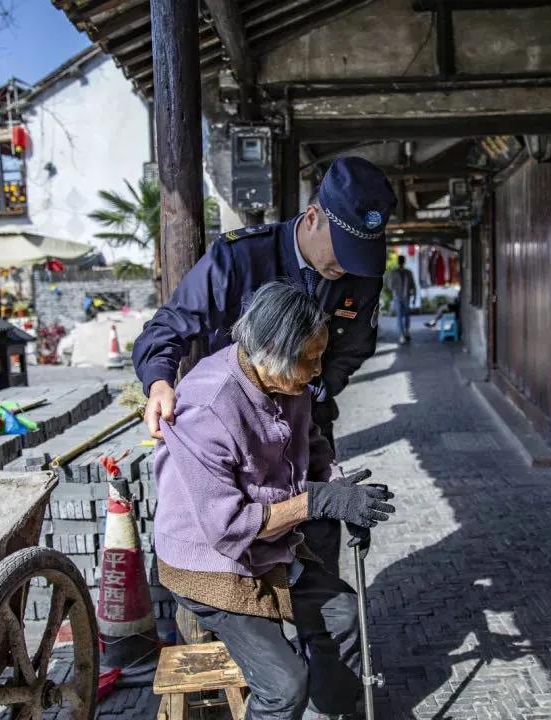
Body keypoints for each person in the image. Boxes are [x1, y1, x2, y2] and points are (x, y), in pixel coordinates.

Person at [132, 155, 397, 575]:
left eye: (359, 256)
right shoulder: (240, 258)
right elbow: (169, 326)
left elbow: (356, 346)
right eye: (342, 251)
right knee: (243, 556)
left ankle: (316, 636)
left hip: (306, 425)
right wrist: (160, 381)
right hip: (234, 431)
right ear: (313, 218)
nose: (346, 267)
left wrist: (317, 386)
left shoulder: (359, 272)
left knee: (318, 554)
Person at [154, 282, 396, 720]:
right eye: (309, 359)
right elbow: (228, 527)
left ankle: (338, 711)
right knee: (283, 686)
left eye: (320, 355)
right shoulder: (209, 407)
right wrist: (317, 503)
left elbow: (315, 448)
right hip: (211, 564)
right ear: (269, 350)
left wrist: (342, 491)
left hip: (270, 547)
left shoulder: (289, 382)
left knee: (342, 616)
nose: (318, 370)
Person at [385, 255, 416, 343]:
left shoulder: (408, 272)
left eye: (402, 260)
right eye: (401, 260)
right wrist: (394, 290)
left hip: (406, 297)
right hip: (397, 297)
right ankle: (402, 334)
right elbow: (389, 284)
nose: (401, 262)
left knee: (406, 315)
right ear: (399, 261)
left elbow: (413, 285)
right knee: (399, 316)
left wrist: (414, 296)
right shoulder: (393, 272)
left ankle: (406, 331)